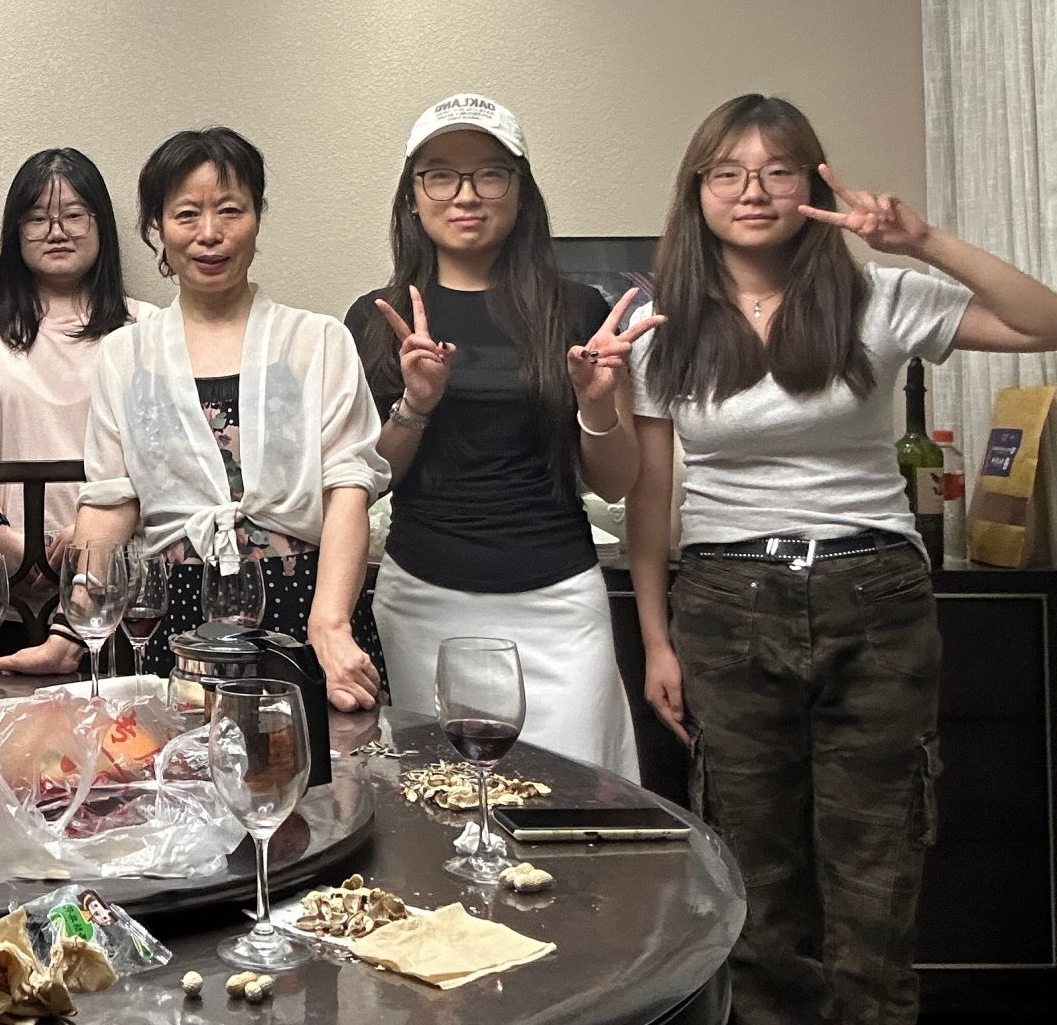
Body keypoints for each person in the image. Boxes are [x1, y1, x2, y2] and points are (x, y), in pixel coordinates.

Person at [625, 93, 1057, 1025]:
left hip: (874, 593)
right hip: (726, 599)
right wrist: (657, 640)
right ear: (697, 191)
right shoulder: (666, 324)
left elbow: (1043, 323)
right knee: (753, 872)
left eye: (777, 171)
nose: (753, 191)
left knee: (878, 867)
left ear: (814, 185)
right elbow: (650, 499)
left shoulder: (878, 296)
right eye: (728, 173)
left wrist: (924, 240)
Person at [0, 127, 389, 710]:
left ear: (257, 216)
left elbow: (347, 486)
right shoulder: (127, 354)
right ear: (157, 226)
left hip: (309, 603)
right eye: (186, 214)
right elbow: (110, 502)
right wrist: (71, 632)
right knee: (180, 761)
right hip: (175, 612)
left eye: (231, 210)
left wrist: (330, 624)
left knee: (320, 762)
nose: (209, 233)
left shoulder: (318, 341)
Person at [347, 95, 659, 777]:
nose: (466, 195)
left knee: (574, 800)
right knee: (442, 803)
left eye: (490, 174)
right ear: (413, 197)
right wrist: (417, 404)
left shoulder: (577, 308)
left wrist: (595, 405)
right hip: (424, 596)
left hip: (559, 599)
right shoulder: (379, 317)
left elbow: (614, 482)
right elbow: (370, 480)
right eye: (440, 175)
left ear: (521, 192)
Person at [0, 148, 157, 573]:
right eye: (37, 218)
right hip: (6, 566)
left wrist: (90, 533)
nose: (56, 232)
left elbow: (160, 455)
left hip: (116, 564)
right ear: (15, 231)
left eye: (74, 215)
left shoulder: (145, 327)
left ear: (101, 225)